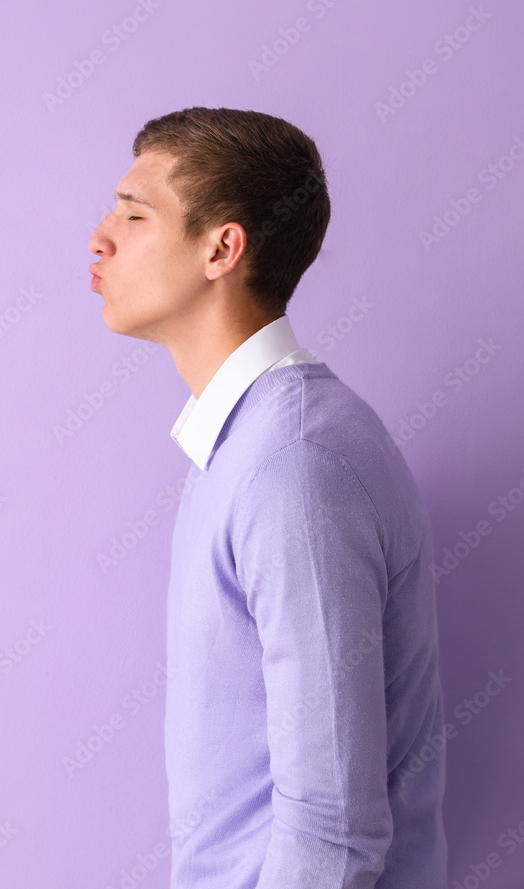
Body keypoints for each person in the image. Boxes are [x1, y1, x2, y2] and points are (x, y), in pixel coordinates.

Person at [88, 106, 448, 888]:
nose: (100, 236)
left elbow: (334, 833)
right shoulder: (250, 444)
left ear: (222, 248)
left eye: (133, 212)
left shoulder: (293, 465)